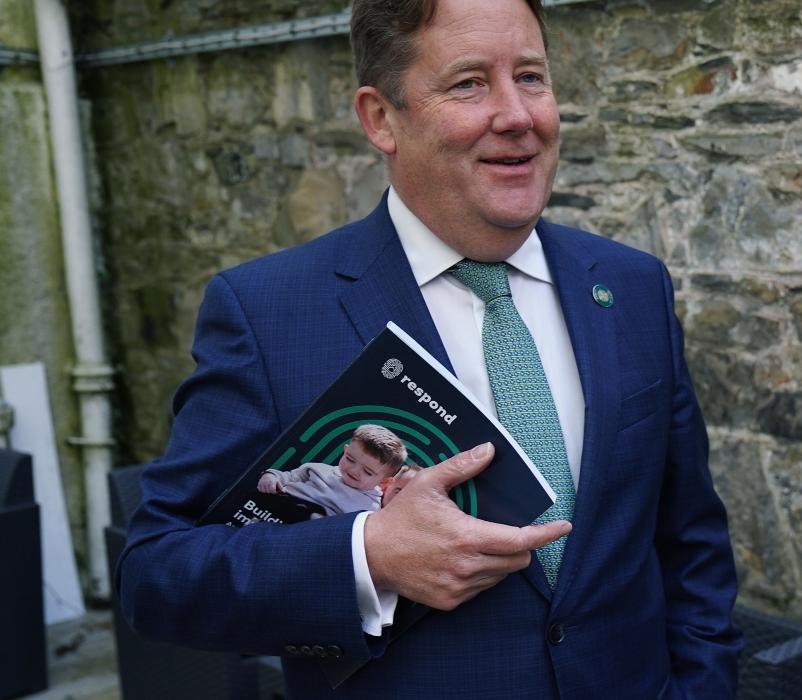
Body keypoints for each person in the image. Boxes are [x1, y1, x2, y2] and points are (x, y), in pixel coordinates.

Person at [116, 0, 742, 697]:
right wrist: (370, 557)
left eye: (530, 76)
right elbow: (156, 573)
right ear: (381, 118)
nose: (517, 115)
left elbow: (690, 543)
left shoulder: (631, 286)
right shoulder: (270, 313)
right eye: (469, 83)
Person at [256, 424, 409, 516]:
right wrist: (271, 477)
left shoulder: (370, 510)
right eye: (350, 459)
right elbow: (287, 477)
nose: (354, 470)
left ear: (384, 481)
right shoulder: (319, 469)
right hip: (280, 505)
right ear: (345, 450)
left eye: (367, 472)